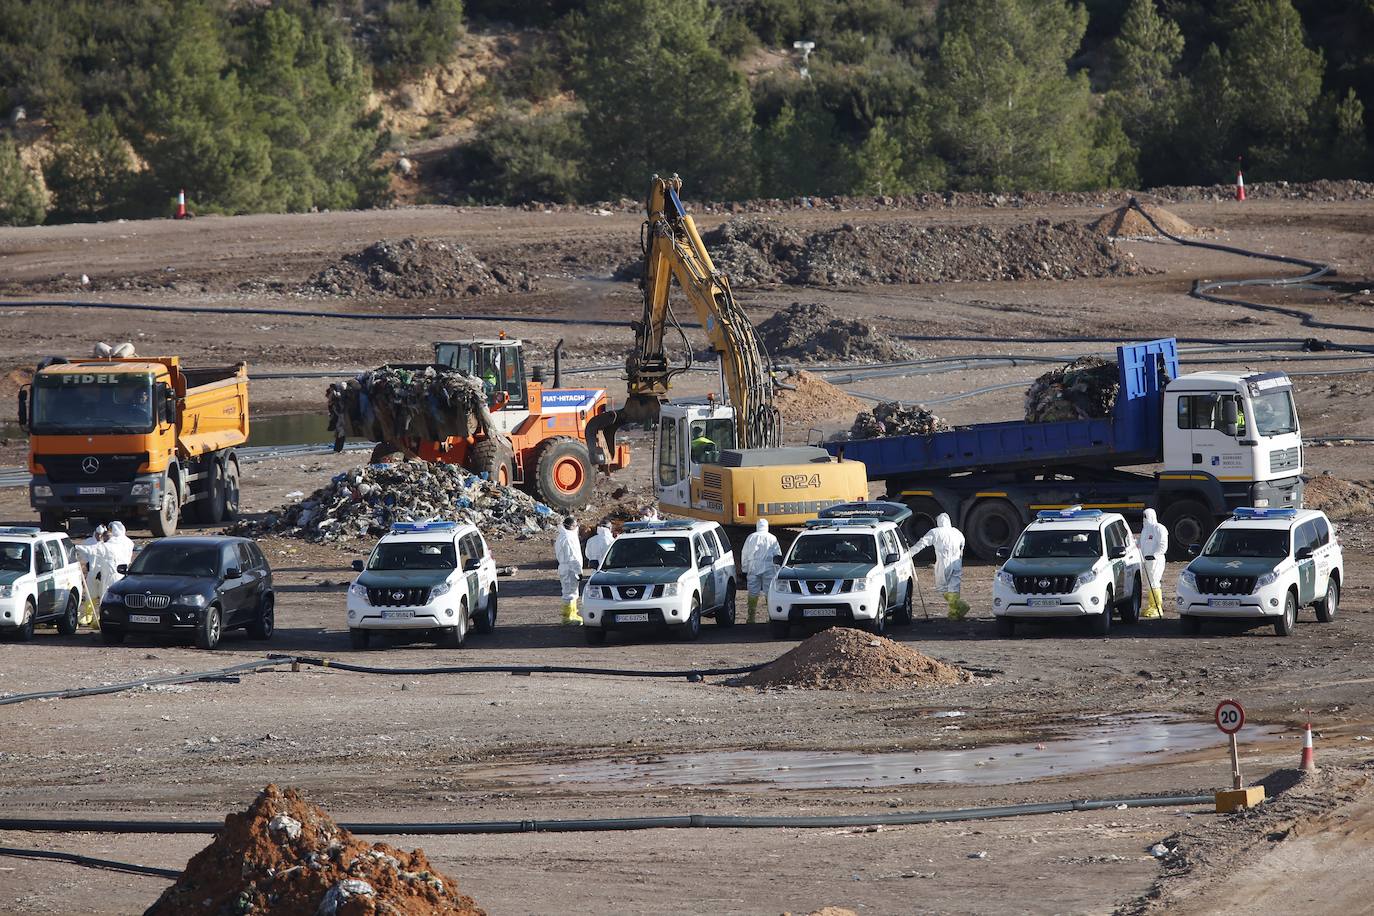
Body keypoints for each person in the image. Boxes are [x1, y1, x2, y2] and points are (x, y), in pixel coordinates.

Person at [912, 513, 968, 619]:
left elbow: (922, 543)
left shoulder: (935, 532)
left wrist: (909, 554)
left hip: (943, 563)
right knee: (954, 587)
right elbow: (962, 546)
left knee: (942, 587)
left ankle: (959, 608)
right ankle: (956, 612)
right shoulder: (957, 532)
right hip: (957, 562)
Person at [740, 518, 781, 624]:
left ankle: (751, 617)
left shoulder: (751, 537)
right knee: (769, 592)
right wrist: (778, 570)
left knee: (753, 592)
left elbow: (744, 554)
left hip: (753, 567)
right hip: (769, 568)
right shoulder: (772, 538)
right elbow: (778, 555)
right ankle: (771, 616)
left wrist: (744, 570)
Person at [76, 526, 116, 628]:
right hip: (94, 573)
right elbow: (87, 552)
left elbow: (93, 551)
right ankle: (88, 615)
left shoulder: (106, 546)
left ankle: (100, 617)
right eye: (98, 534)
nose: (99, 537)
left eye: (101, 535)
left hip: (106, 575)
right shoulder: (90, 542)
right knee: (91, 594)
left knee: (103, 596)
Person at [1139, 508, 1169, 619]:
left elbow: (1163, 545)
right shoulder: (1145, 530)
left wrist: (1155, 555)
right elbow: (1140, 544)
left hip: (1156, 561)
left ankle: (1158, 607)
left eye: (1146, 516)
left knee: (1154, 583)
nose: (1144, 519)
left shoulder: (1159, 528)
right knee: (1149, 584)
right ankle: (1151, 606)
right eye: (1143, 516)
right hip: (1146, 561)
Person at [554, 516, 584, 625]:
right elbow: (573, 557)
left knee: (571, 591)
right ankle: (568, 617)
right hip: (570, 568)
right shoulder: (569, 538)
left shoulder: (562, 536)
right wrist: (578, 571)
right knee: (570, 592)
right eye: (576, 525)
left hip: (565, 567)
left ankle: (573, 614)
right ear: (572, 526)